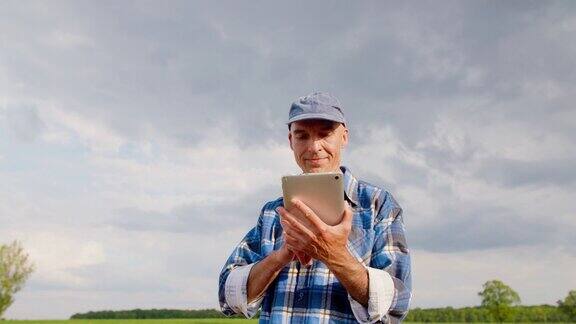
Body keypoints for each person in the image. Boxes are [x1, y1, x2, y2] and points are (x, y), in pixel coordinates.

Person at [218, 92, 412, 323]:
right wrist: (280, 257)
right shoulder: (272, 213)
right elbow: (228, 298)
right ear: (291, 141)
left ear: (344, 137)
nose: (314, 147)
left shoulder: (377, 206)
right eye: (302, 136)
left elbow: (396, 305)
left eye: (325, 134)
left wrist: (334, 255)